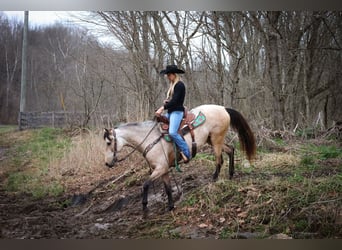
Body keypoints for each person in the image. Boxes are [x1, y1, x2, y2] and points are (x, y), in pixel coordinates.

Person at [155, 64, 191, 163]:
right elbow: (173, 100)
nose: (167, 77)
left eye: (169, 75)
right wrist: (167, 102)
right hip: (171, 111)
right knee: (160, 126)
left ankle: (186, 152)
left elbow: (175, 101)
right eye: (167, 75)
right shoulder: (173, 85)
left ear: (174, 74)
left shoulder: (179, 85)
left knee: (172, 132)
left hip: (177, 112)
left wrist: (163, 108)